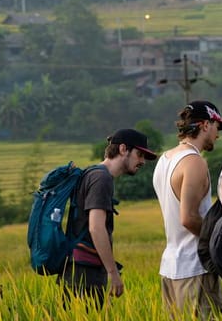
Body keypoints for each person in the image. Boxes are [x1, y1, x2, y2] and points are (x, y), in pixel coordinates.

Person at [59, 129, 157, 306]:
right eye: (140, 154)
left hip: (78, 269)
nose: (142, 161)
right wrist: (112, 272)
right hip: (84, 272)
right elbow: (96, 227)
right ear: (122, 149)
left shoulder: (92, 173)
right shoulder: (101, 178)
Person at [153, 100, 222, 321]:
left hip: (170, 265)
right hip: (195, 267)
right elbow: (188, 218)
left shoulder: (165, 159)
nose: (218, 134)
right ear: (206, 125)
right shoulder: (194, 162)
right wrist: (217, 243)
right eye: (217, 127)